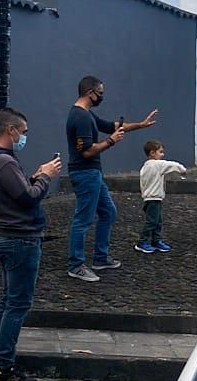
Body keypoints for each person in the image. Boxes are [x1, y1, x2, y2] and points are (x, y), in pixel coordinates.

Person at [0, 108, 61, 381]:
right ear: (10, 130)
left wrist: (34, 176)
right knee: (17, 304)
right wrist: (45, 176)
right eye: (23, 132)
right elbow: (28, 198)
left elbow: (16, 193)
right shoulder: (4, 162)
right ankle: (3, 366)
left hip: (8, 237)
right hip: (20, 239)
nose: (24, 137)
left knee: (7, 300)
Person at [66, 75, 158, 282]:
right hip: (85, 173)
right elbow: (87, 152)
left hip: (93, 173)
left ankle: (100, 257)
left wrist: (141, 125)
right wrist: (111, 141)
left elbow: (113, 126)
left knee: (108, 212)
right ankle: (76, 264)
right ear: (90, 93)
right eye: (100, 93)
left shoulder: (87, 114)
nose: (102, 97)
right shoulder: (79, 117)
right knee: (82, 219)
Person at [135, 140, 186, 254]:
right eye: (160, 152)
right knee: (152, 221)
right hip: (154, 198)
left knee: (156, 221)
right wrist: (183, 170)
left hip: (148, 197)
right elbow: (172, 165)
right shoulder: (157, 164)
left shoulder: (145, 167)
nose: (162, 155)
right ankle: (143, 242)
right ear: (152, 153)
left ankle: (155, 241)